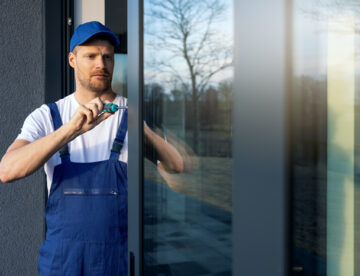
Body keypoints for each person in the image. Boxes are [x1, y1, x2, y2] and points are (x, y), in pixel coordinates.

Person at [0, 21, 183, 275]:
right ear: (72, 59)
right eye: (91, 56)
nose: (101, 64)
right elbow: (7, 170)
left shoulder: (129, 115)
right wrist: (70, 130)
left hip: (114, 261)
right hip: (61, 263)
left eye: (108, 57)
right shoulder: (47, 116)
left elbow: (175, 167)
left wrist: (139, 125)